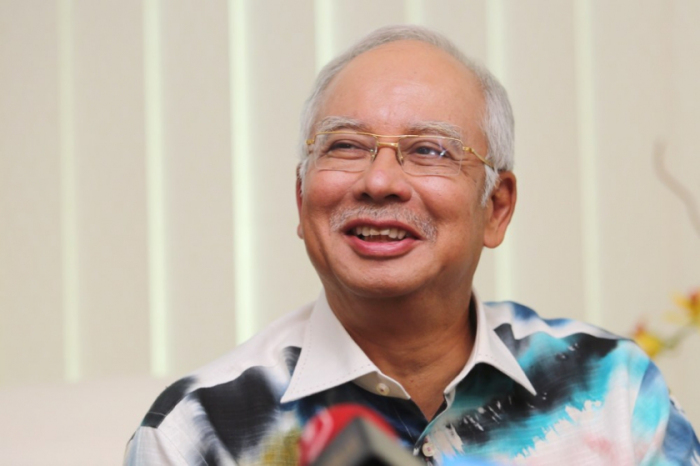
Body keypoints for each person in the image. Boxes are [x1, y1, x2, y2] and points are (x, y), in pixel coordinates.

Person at [125, 25, 700, 465]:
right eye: (345, 145)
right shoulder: (196, 434)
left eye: (430, 150)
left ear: (496, 207)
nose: (379, 181)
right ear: (301, 199)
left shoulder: (613, 390)